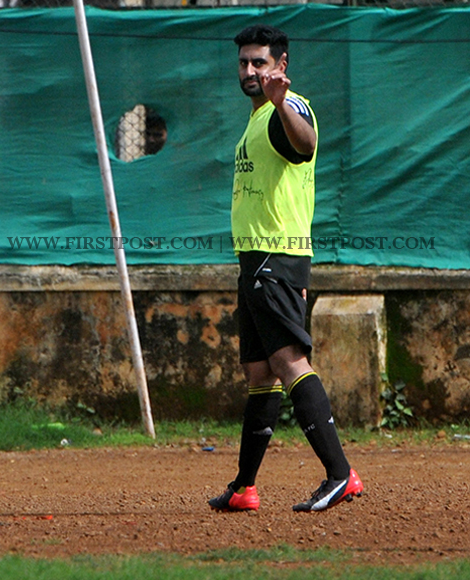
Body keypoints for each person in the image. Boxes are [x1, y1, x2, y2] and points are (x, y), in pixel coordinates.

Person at [208, 24, 363, 513]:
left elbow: (306, 144)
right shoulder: (257, 117)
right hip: (256, 258)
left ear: (281, 65)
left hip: (276, 256)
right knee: (259, 372)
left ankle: (340, 474)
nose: (250, 70)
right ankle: (244, 488)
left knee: (289, 361)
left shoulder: (288, 107)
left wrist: (281, 104)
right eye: (244, 63)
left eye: (260, 62)